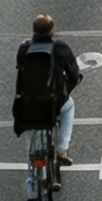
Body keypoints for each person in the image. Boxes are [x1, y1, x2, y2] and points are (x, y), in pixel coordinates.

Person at [12, 14, 84, 166]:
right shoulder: (60, 47)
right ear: (52, 30)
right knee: (69, 106)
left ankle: (33, 173)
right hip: (55, 101)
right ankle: (63, 149)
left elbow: (20, 68)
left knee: (31, 132)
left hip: (29, 103)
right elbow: (73, 73)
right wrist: (72, 82)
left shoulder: (24, 48)